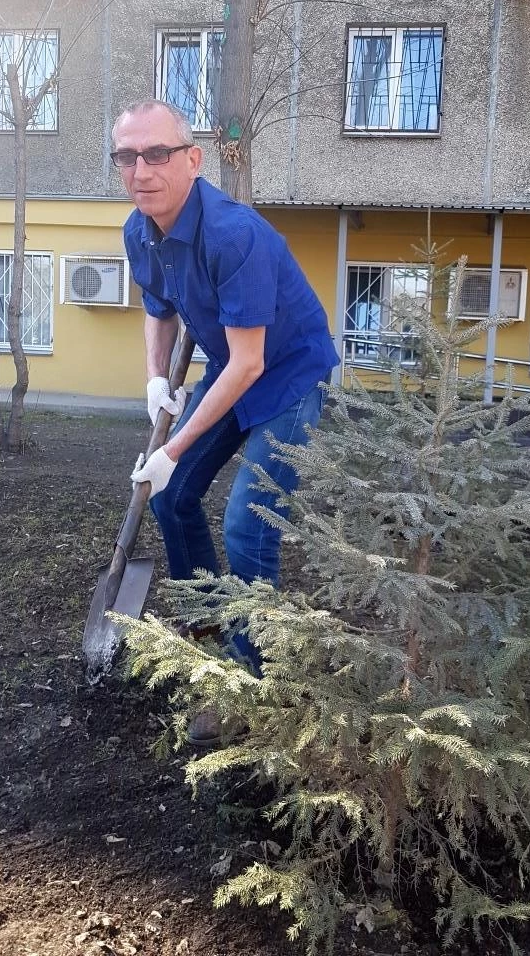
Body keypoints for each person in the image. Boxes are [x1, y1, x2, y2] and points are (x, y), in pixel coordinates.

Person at [112, 99, 339, 742]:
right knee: (172, 500)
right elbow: (159, 307)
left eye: (156, 154)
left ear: (193, 159)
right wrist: (158, 378)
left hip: (288, 373)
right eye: (126, 157)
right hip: (232, 364)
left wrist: (175, 444)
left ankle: (254, 682)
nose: (141, 170)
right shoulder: (139, 229)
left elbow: (249, 363)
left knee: (246, 522)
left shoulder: (233, 233)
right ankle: (209, 627)